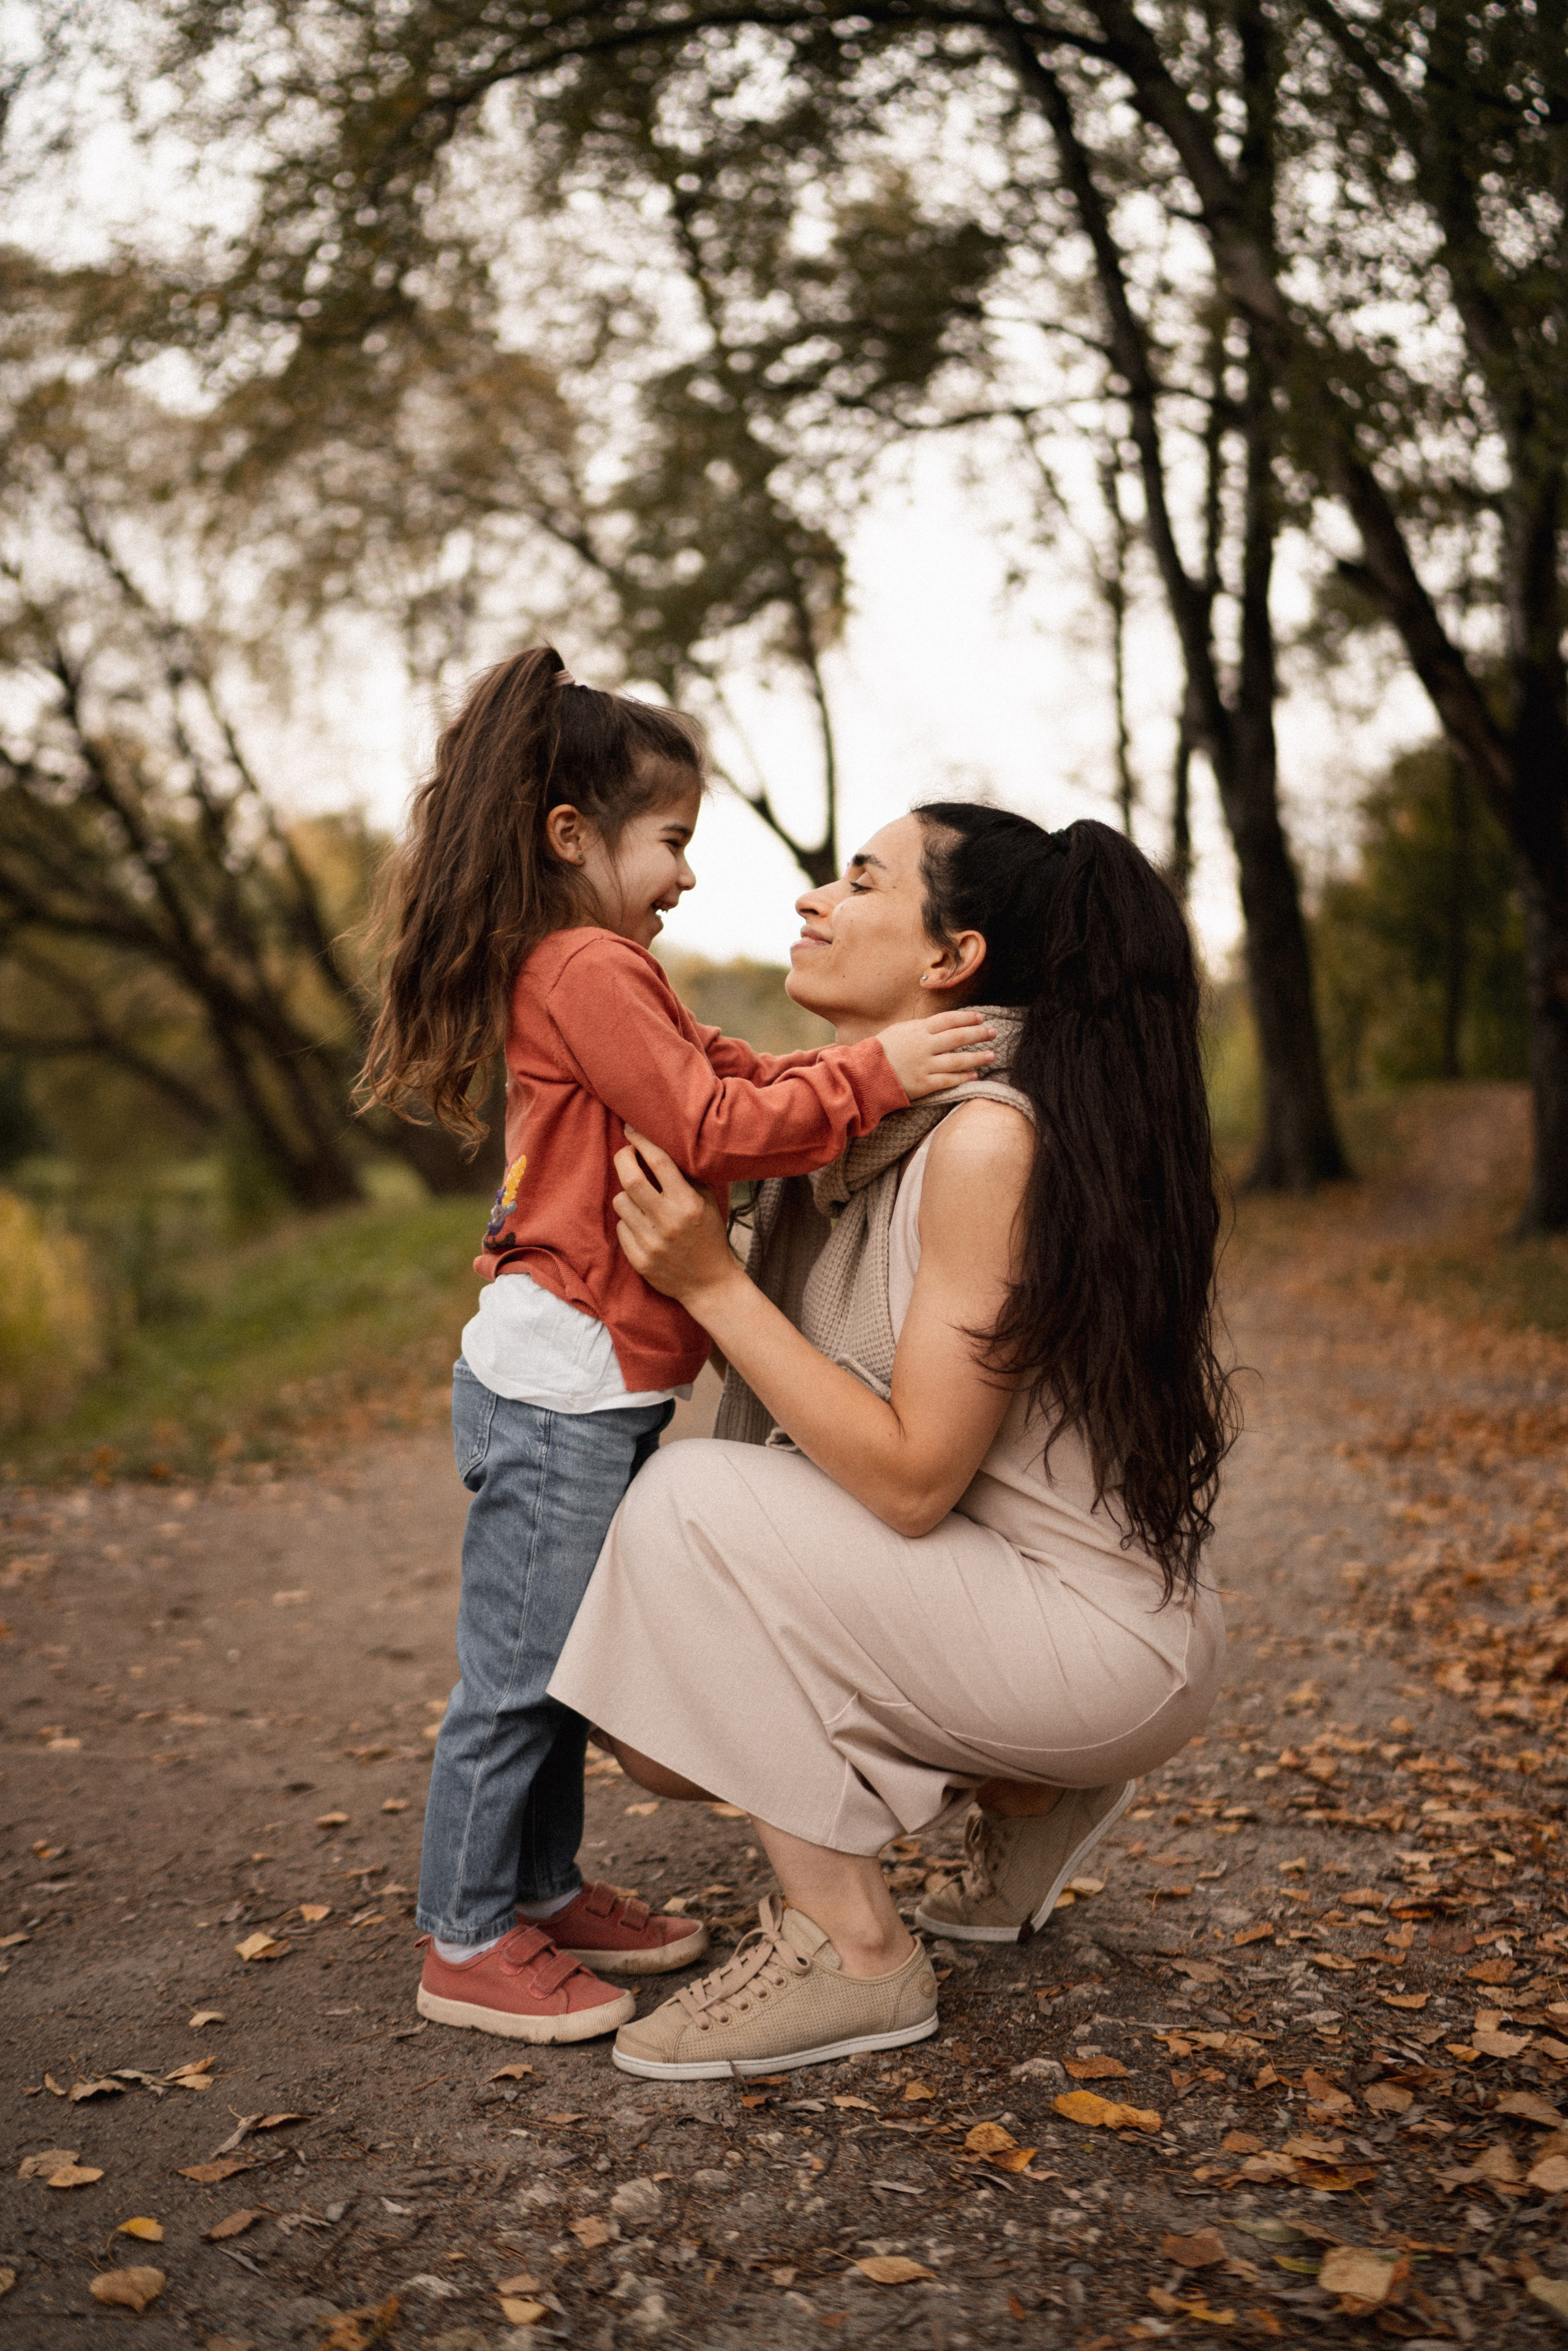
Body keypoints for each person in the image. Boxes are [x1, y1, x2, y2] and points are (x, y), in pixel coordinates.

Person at [358, 651, 997, 2043]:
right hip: (559, 1380)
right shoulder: (584, 964)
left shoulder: (613, 966)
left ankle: (540, 1885)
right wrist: (875, 1073)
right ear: (571, 838)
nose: (689, 877)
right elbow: (708, 1128)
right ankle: (465, 1935)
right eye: (673, 844)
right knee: (518, 1672)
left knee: (563, 1650)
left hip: (591, 1374)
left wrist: (836, 1078)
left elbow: (729, 1074)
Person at [551, 802, 1236, 2078]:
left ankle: (852, 1950)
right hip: (1019, 1604)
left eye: (859, 878)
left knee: (692, 1505)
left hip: (1096, 1637)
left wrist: (714, 1284)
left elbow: (914, 1476)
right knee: (661, 1725)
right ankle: (1028, 1787)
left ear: (950, 959)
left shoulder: (985, 1138)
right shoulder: (845, 1136)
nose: (814, 896)